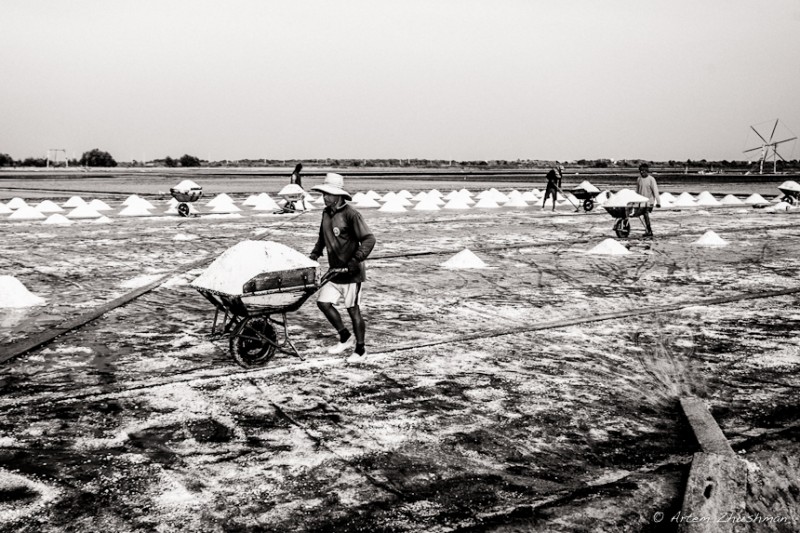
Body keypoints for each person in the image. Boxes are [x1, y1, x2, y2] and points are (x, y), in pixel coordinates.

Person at [309, 173, 376, 357]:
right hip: (335, 271)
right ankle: (345, 337)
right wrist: (315, 253)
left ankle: (361, 349)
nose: (324, 197)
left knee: (353, 310)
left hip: (352, 273)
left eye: (328, 194)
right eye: (323, 194)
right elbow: (323, 237)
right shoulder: (326, 213)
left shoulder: (351, 215)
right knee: (323, 303)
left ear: (338, 195)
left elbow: (369, 239)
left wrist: (356, 259)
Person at [635, 163, 661, 237]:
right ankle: (647, 229)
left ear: (647, 171)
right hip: (641, 201)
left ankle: (649, 230)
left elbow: (655, 191)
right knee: (642, 213)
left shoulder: (651, 179)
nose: (641, 172)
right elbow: (637, 191)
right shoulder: (639, 179)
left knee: (645, 213)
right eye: (640, 171)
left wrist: (658, 202)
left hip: (649, 201)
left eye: (643, 171)